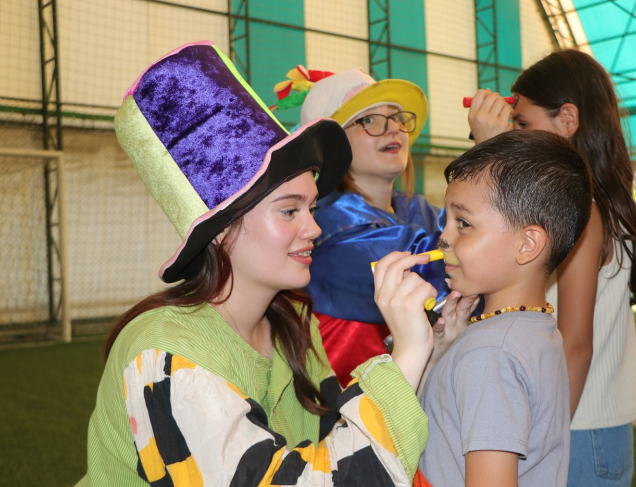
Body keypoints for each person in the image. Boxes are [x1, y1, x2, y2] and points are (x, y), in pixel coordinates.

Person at [76, 42, 437, 487]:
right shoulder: (167, 353)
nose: (314, 228)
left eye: (311, 208)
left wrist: (435, 346)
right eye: (289, 211)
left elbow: (333, 435)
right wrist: (408, 353)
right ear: (221, 229)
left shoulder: (294, 321)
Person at [467, 49, 636, 487]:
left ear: (567, 120)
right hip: (589, 427)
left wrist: (545, 442)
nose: (515, 132)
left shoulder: (582, 211)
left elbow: (575, 344)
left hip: (579, 429)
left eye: (522, 123)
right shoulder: (591, 201)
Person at [375, 129, 593, 486]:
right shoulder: (529, 328)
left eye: (463, 223)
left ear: (527, 245)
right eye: (447, 220)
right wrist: (438, 352)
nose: (444, 237)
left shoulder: (491, 351)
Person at [272, 66, 450, 387]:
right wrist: (495, 154)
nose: (393, 128)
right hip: (355, 407)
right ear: (332, 147)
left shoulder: (417, 209)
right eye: (368, 120)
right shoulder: (331, 227)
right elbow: (455, 260)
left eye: (396, 117)